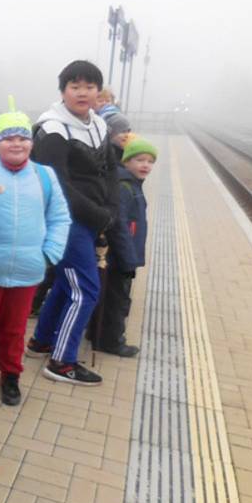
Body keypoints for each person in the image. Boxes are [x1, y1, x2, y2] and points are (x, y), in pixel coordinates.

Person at [27, 60, 117, 386]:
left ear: (98, 91)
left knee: (68, 283)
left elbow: (108, 172)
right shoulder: (53, 130)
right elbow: (58, 186)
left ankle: (41, 341)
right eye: (75, 86)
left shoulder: (99, 125)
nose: (82, 92)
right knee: (86, 289)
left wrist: (111, 209)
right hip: (64, 222)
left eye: (89, 86)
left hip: (91, 218)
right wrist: (99, 214)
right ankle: (62, 360)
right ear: (63, 91)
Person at [0, 99, 71, 405]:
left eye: (23, 138)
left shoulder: (45, 176)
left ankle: (10, 376)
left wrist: (49, 255)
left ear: (31, 143)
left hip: (27, 271)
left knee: (15, 330)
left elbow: (60, 218)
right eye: (9, 138)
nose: (16, 144)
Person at [96, 138, 157, 356]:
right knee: (118, 299)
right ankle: (112, 341)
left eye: (150, 162)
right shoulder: (125, 187)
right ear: (126, 161)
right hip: (119, 255)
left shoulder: (131, 185)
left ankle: (97, 335)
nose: (145, 165)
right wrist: (129, 259)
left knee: (109, 296)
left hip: (122, 253)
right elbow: (120, 224)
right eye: (140, 160)